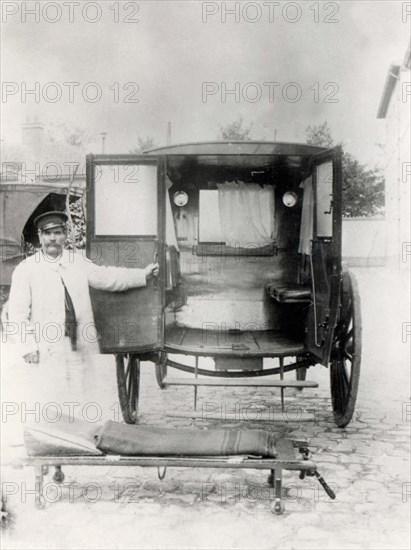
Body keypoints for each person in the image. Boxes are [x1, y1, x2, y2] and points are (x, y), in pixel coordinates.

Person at [4, 211, 159, 418]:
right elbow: (17, 313)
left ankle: (82, 436)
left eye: (57, 233)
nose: (53, 238)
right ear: (40, 237)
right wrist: (28, 347)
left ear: (65, 235)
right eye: (48, 233)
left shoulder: (77, 262)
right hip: (47, 346)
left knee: (82, 392)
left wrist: (142, 274)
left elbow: (107, 277)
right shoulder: (27, 270)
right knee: (51, 396)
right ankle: (54, 438)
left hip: (79, 342)